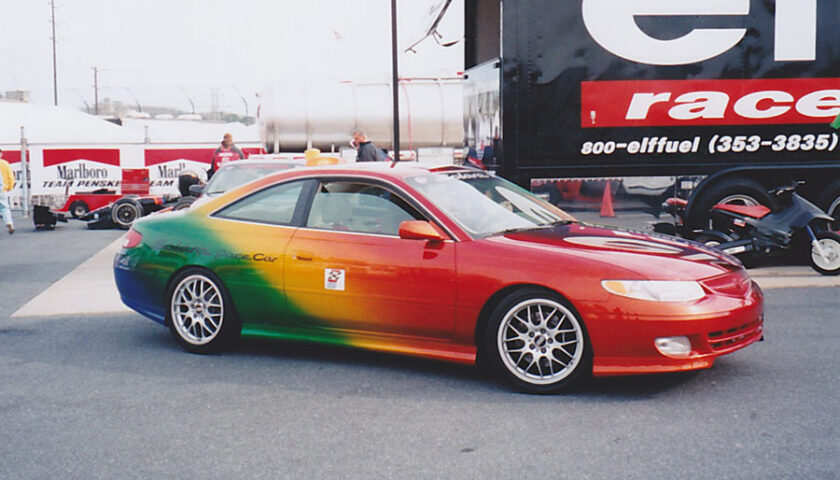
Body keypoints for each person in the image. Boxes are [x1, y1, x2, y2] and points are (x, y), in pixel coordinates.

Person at [0, 149, 15, 234]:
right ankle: (9, 223)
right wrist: (9, 187)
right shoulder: (4, 164)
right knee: (4, 208)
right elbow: (10, 176)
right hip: (2, 189)